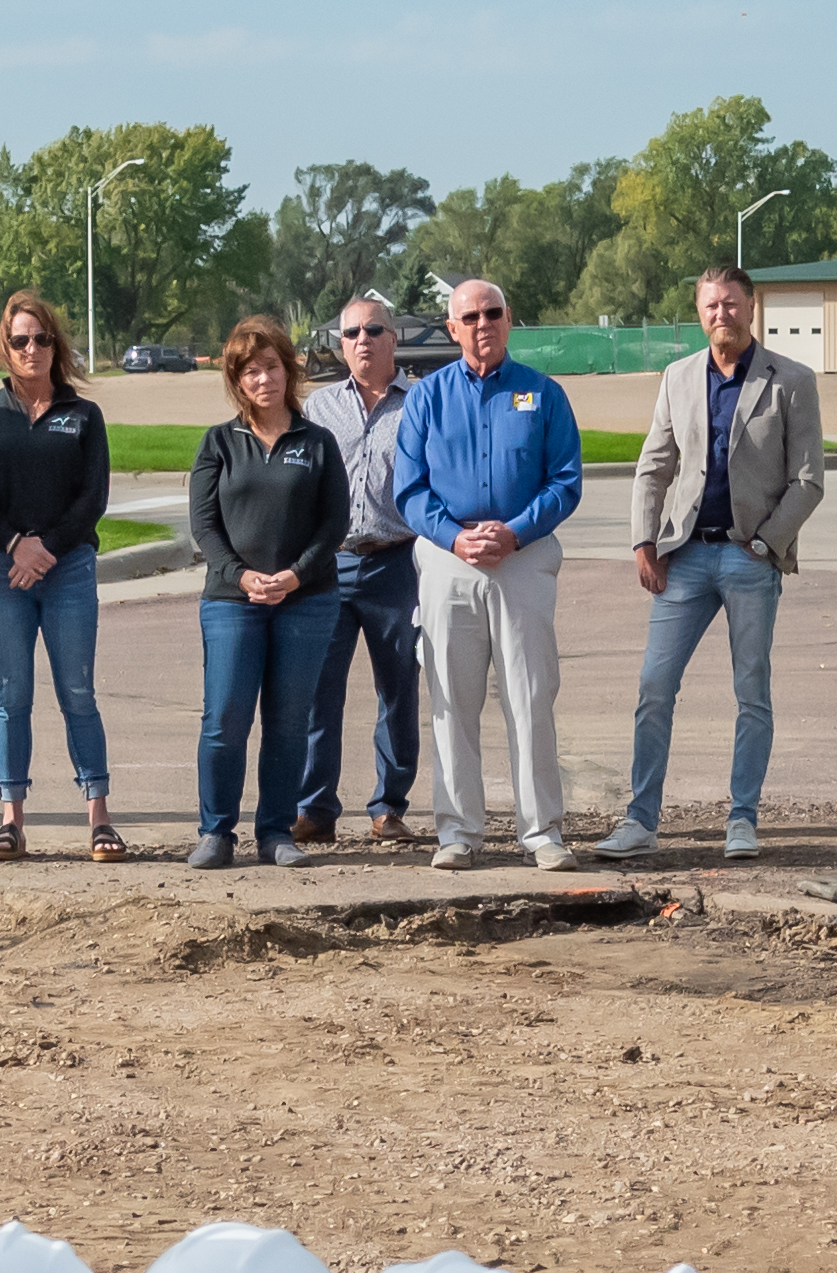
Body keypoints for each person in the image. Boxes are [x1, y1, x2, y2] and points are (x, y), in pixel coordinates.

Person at [600, 264, 824, 865]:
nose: (720, 314)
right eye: (710, 306)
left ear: (752, 307)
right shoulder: (678, 377)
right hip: (685, 558)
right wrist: (643, 542)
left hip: (750, 559)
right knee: (654, 687)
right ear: (699, 313)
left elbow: (808, 481)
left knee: (751, 691)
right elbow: (654, 466)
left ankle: (743, 818)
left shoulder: (791, 380)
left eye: (730, 304)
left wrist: (767, 543)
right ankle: (641, 819)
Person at [391, 279, 586, 866]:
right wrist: (454, 535)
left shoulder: (542, 394)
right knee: (451, 700)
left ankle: (541, 832)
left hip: (521, 560)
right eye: (469, 316)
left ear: (509, 318)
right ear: (452, 329)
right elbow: (409, 488)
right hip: (449, 563)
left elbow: (565, 480)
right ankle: (457, 832)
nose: (482, 324)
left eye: (492, 313)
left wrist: (516, 530)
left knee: (529, 697)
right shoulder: (426, 399)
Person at [0, 291, 123, 861]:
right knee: (12, 693)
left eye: (41, 338)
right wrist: (14, 546)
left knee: (78, 691)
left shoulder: (83, 416)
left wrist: (45, 548)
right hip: (2, 569)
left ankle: (99, 818)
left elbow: (92, 496)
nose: (32, 349)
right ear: (4, 349)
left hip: (68, 566)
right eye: (20, 340)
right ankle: (11, 820)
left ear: (57, 345)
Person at [183, 316, 353, 871]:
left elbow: (334, 525)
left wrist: (295, 575)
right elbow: (205, 527)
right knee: (226, 717)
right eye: (250, 371)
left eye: (272, 367)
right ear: (237, 380)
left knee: (288, 719)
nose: (263, 380)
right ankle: (216, 832)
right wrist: (242, 576)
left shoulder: (318, 442)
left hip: (306, 599)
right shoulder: (218, 443)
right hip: (233, 602)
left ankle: (276, 832)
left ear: (289, 370)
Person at [292, 296, 422, 851]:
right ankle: (314, 809)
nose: (362, 340)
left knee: (398, 689)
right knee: (320, 691)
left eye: (374, 329)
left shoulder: (420, 403)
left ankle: (389, 806)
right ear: (341, 344)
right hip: (330, 564)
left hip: (398, 560)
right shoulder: (319, 408)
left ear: (394, 339)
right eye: (351, 333)